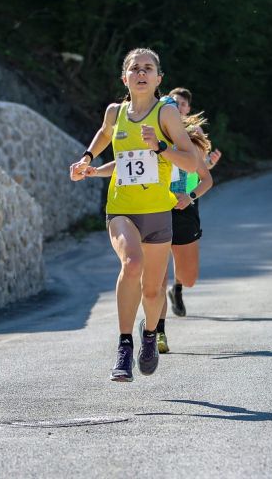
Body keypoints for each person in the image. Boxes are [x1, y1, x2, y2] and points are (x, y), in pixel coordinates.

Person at [69, 48, 197, 382]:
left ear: (158, 78)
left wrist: (161, 147)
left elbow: (191, 162)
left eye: (148, 68)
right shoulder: (116, 112)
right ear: (125, 78)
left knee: (153, 292)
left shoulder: (166, 115)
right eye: (135, 68)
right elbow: (105, 135)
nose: (141, 73)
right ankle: (124, 347)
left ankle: (150, 335)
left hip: (157, 213)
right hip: (122, 209)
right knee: (132, 264)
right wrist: (87, 161)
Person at [157, 107, 214, 354]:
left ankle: (177, 286)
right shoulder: (149, 141)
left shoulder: (189, 144)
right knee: (155, 279)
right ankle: (157, 332)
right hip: (154, 211)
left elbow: (207, 180)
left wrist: (189, 196)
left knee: (188, 278)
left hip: (184, 212)